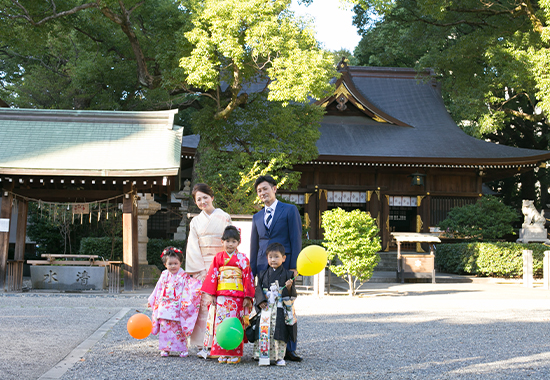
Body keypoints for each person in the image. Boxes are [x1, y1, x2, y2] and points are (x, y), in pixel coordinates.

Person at [250, 175, 303, 362]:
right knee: (265, 308)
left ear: (274, 189)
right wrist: (253, 269)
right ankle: (266, 348)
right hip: (264, 267)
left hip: (284, 266)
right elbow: (254, 245)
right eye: (259, 191)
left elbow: (296, 238)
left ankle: (289, 349)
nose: (262, 193)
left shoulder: (289, 210)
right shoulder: (257, 217)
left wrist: (295, 266)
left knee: (286, 307)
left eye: (265, 189)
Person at [185, 183, 232, 355]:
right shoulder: (195, 221)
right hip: (202, 266)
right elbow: (192, 246)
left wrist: (226, 265)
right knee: (204, 305)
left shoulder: (224, 217)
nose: (202, 201)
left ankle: (221, 341)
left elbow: (230, 241)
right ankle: (202, 343)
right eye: (199, 199)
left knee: (221, 304)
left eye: (205, 197)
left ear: (212, 197)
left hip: (221, 264)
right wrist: (200, 270)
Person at [201, 225, 255, 364]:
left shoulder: (242, 259)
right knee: (220, 323)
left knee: (235, 323)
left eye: (234, 241)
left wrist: (247, 297)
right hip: (221, 296)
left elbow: (247, 277)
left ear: (238, 243)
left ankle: (235, 353)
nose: (230, 244)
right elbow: (213, 275)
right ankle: (221, 352)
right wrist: (212, 294)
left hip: (237, 297)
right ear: (222, 241)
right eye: (227, 241)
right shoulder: (218, 258)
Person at [147, 247, 202, 357]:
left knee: (178, 329)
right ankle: (165, 348)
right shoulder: (164, 275)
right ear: (165, 264)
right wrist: (152, 299)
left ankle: (182, 348)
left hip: (178, 306)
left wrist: (198, 288)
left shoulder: (184, 276)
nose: (173, 266)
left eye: (175, 263)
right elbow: (158, 288)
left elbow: (190, 288)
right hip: (164, 306)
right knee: (165, 329)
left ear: (180, 263)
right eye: (170, 264)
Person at [253, 243, 297, 366]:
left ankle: (279, 357)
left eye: (276, 257)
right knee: (263, 329)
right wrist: (260, 300)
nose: (273, 260)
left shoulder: (288, 275)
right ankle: (261, 354)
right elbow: (258, 289)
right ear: (267, 258)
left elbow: (292, 295)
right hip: (266, 306)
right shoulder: (262, 274)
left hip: (279, 307)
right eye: (270, 257)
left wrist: (289, 288)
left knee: (279, 330)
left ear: (283, 258)